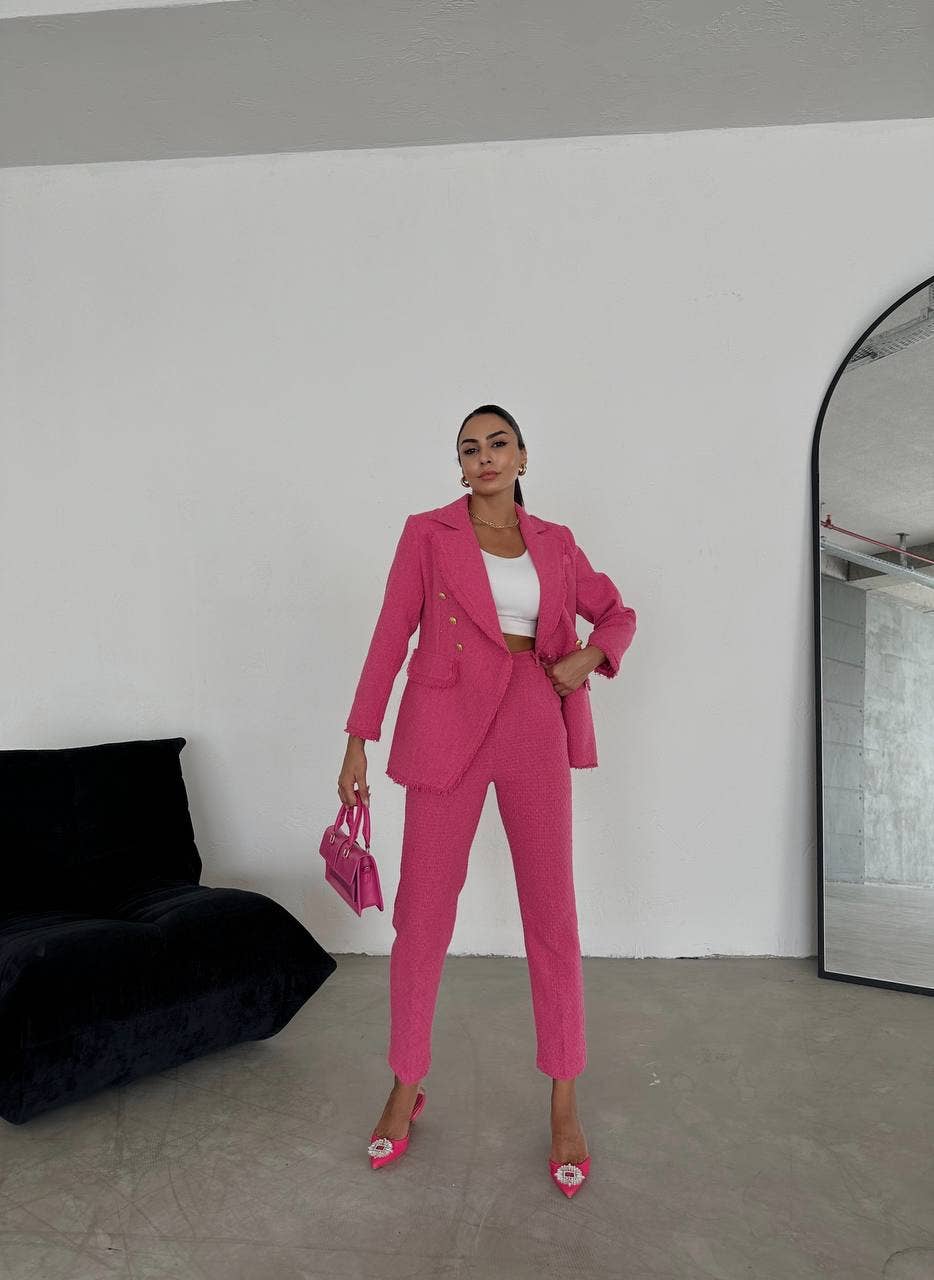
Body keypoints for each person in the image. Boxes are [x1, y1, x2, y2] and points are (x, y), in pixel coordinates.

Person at [338, 404, 637, 1194]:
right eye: (470, 449)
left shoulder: (557, 543)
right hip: (445, 728)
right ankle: (406, 1082)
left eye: (498, 443)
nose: (485, 458)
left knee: (553, 913)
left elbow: (618, 612)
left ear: (523, 456)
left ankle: (564, 1098)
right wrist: (359, 736)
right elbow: (390, 633)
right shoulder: (426, 535)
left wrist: (588, 658)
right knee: (422, 915)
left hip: (534, 717)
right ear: (461, 466)